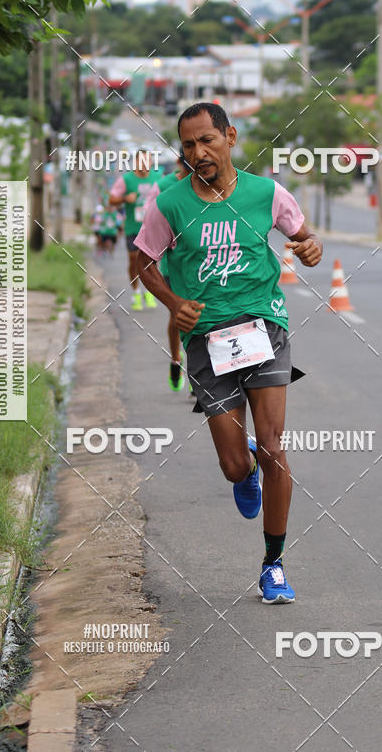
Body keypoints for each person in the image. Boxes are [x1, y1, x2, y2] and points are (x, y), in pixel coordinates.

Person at [135, 102, 323, 603]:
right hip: (208, 341)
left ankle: (273, 564)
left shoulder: (266, 193)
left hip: (265, 326)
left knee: (275, 447)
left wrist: (310, 247)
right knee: (236, 464)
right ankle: (247, 473)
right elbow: (143, 262)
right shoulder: (170, 204)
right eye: (189, 145)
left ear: (230, 137)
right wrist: (175, 304)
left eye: (207, 141)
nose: (199, 152)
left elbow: (305, 238)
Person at [144, 152, 192, 392]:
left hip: (208, 267)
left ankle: (199, 374)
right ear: (180, 163)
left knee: (207, 319)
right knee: (178, 316)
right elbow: (149, 218)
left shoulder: (209, 184)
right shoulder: (163, 187)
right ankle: (176, 359)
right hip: (176, 266)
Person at [109, 150, 160, 310]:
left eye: (148, 161)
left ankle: (149, 292)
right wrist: (125, 198)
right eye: (141, 161)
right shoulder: (126, 180)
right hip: (133, 227)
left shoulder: (158, 178)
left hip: (152, 229)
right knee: (134, 260)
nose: (145, 165)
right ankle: (136, 292)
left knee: (152, 263)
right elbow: (112, 200)